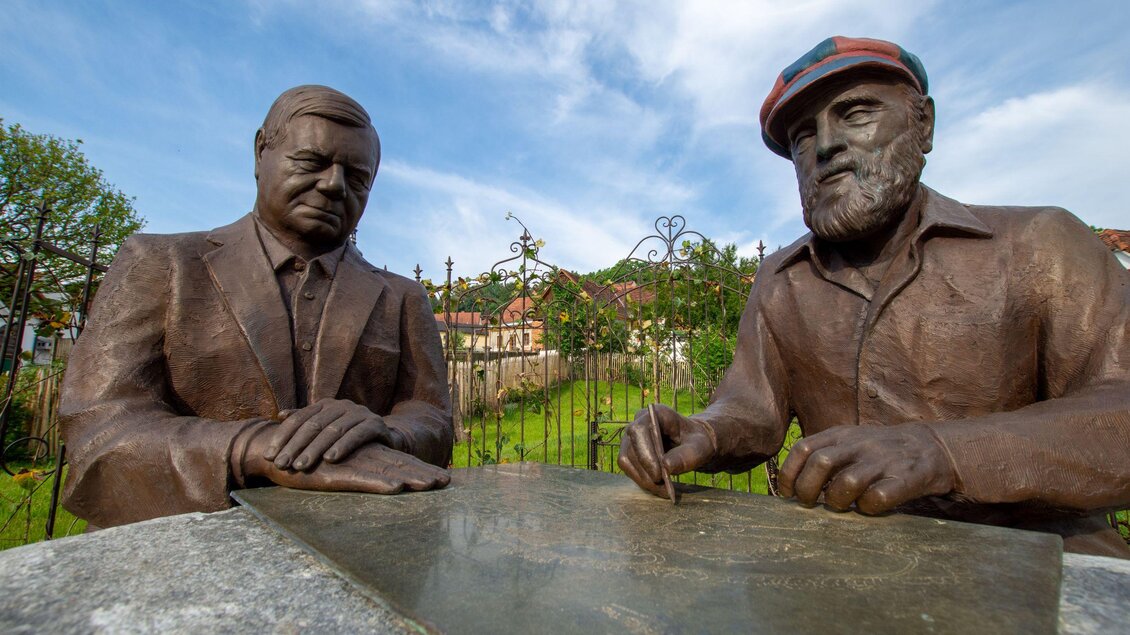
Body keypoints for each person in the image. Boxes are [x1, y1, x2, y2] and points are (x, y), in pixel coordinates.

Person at [618, 37, 1130, 557]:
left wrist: (942, 452)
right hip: (845, 564)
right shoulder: (781, 279)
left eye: (855, 113)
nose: (824, 147)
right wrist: (705, 430)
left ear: (923, 125)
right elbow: (754, 408)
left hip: (1040, 568)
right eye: (801, 138)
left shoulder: (1043, 245)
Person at [60, 85, 453, 528]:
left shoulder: (401, 297)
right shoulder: (161, 265)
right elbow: (99, 431)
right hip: (181, 549)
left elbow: (432, 418)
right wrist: (253, 449)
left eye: (357, 177)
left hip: (357, 541)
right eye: (312, 162)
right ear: (260, 153)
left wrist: (389, 433)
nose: (334, 185)